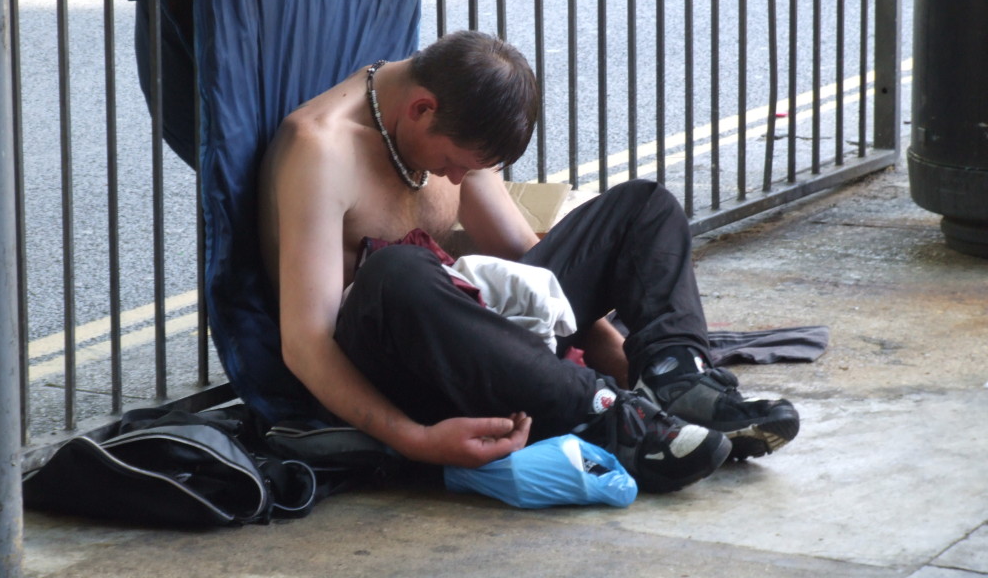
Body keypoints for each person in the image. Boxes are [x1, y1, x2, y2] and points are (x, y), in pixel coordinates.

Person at [257, 30, 799, 494]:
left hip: (483, 335)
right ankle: (614, 418)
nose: (453, 181)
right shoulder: (321, 151)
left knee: (644, 207)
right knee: (395, 272)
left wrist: (618, 354)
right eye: (451, 164)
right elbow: (306, 345)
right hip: (402, 364)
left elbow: (530, 268)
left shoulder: (450, 118)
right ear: (422, 108)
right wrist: (414, 440)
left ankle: (674, 378)